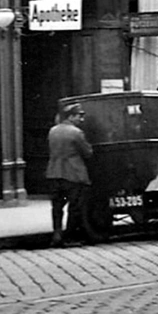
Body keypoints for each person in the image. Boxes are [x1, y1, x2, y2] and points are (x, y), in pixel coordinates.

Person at [46, 103, 92, 247]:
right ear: (71, 117)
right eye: (79, 116)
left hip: (54, 173)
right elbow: (88, 153)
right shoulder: (76, 133)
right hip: (73, 174)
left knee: (57, 206)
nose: (81, 119)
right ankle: (69, 237)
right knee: (75, 207)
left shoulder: (53, 131)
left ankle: (57, 234)